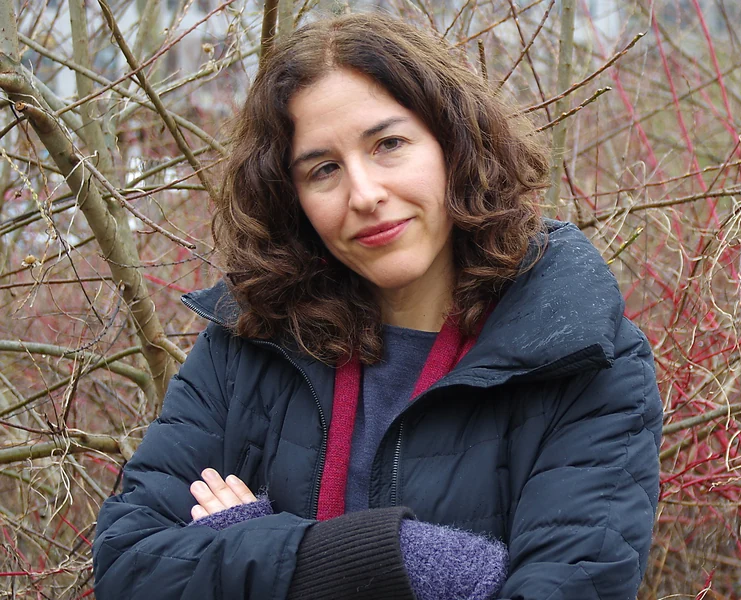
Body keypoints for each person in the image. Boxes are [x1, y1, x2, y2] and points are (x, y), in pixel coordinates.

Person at [91, 13, 662, 600]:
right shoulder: (248, 345)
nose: (364, 194)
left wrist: (250, 548)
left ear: (454, 144)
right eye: (324, 169)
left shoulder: (579, 357)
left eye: (389, 144)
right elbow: (128, 565)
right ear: (292, 197)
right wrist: (415, 563)